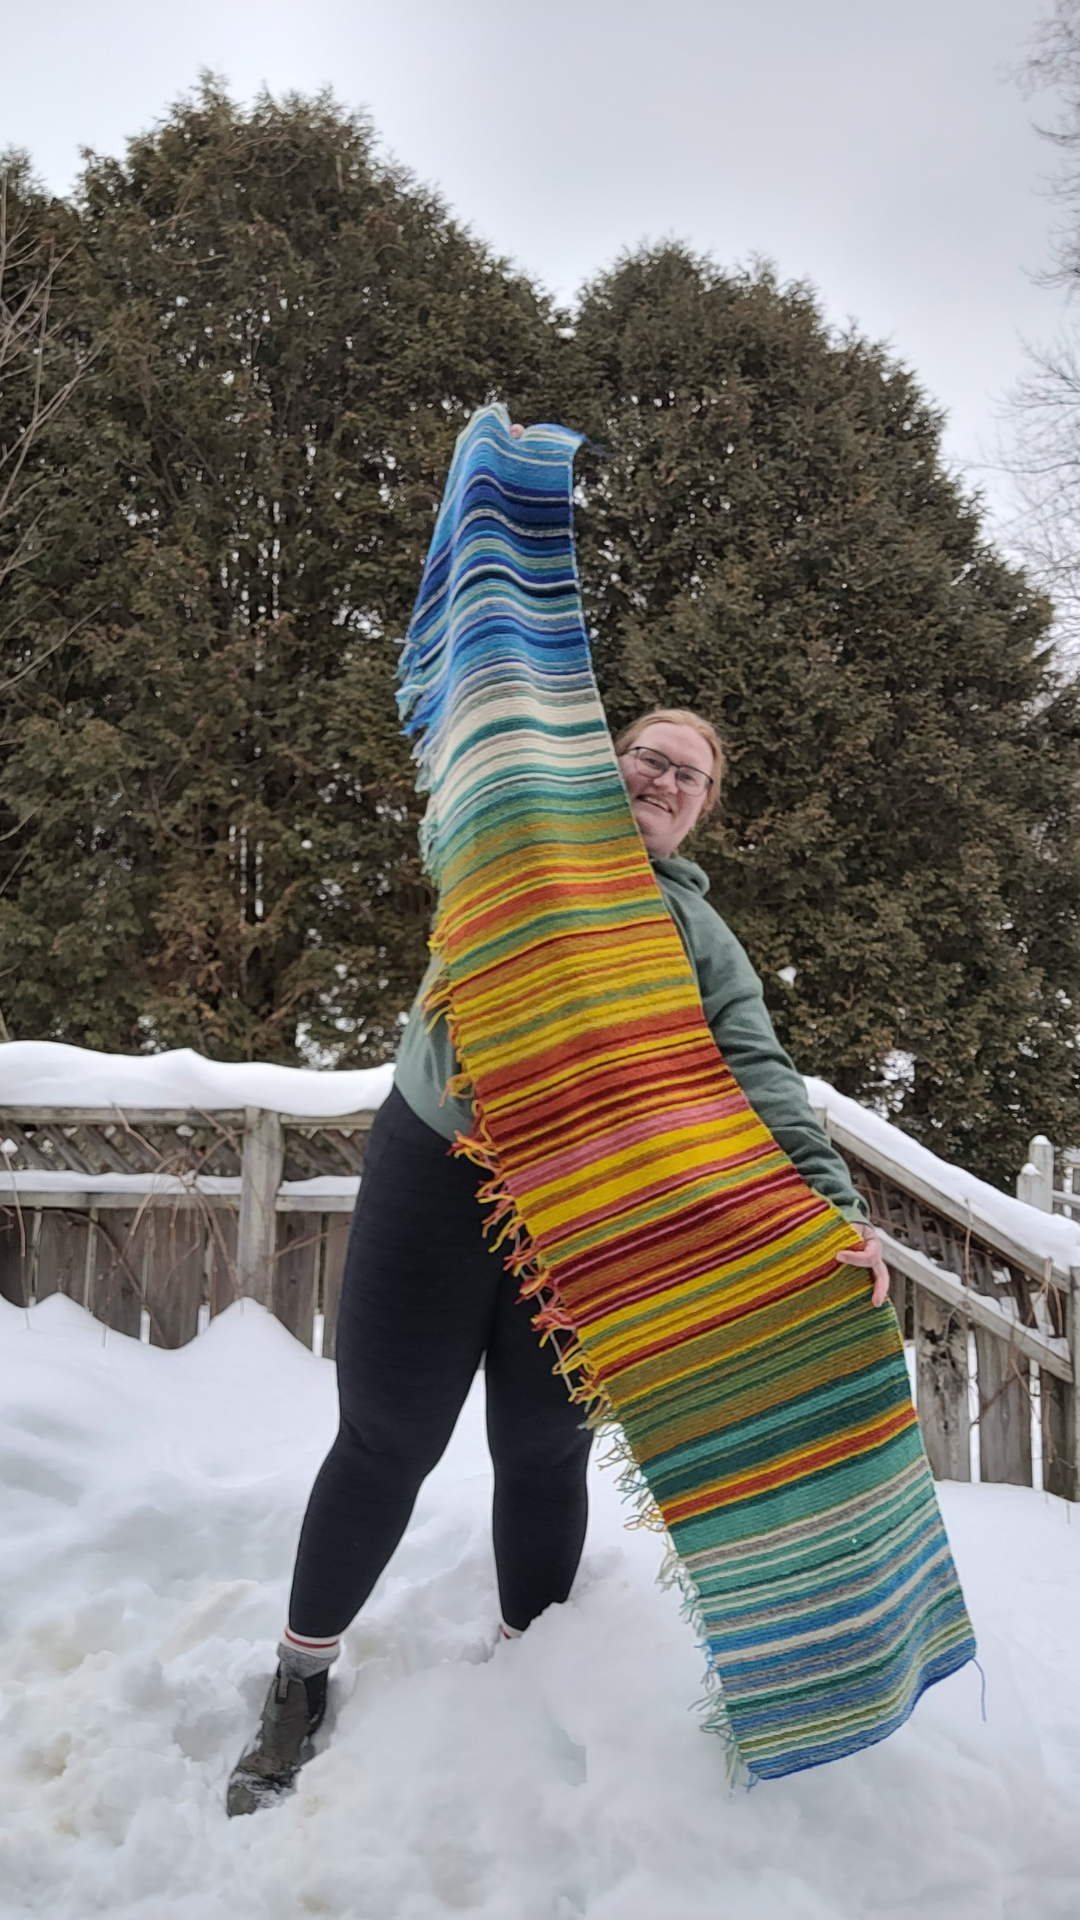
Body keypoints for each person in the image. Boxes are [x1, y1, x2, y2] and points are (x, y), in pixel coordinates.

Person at [226, 703, 890, 1815]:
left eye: (691, 777)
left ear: (702, 812)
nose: (667, 781)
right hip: (442, 1166)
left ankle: (530, 1669)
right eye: (650, 758)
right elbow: (484, 744)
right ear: (606, 761)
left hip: (584, 1210)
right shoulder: (518, 838)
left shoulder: (702, 940)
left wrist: (833, 1210)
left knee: (542, 1446)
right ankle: (299, 1680)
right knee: (389, 1437)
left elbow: (759, 1075)